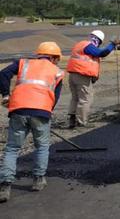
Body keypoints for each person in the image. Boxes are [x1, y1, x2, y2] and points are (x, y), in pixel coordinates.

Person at [0, 42, 64, 202]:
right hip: (41, 112)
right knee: (41, 146)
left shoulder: (23, 63)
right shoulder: (57, 72)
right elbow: (55, 97)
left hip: (18, 110)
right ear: (54, 57)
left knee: (12, 148)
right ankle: (38, 180)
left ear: (39, 54)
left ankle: (5, 186)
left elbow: (2, 75)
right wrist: (45, 111)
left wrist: (6, 96)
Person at [66, 30, 120, 128]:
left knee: (76, 98)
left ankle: (72, 121)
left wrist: (94, 76)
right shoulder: (88, 46)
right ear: (98, 40)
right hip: (81, 77)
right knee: (85, 99)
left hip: (73, 75)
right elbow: (102, 53)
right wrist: (112, 44)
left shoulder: (81, 45)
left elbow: (89, 61)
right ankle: (82, 122)